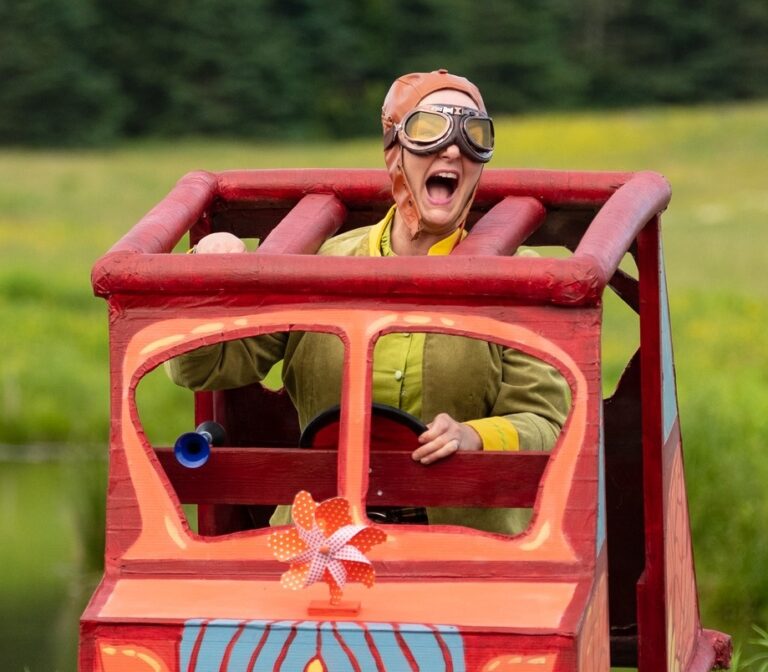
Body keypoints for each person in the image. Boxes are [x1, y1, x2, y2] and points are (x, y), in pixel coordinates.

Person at [166, 70, 570, 534]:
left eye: (474, 135)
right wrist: (206, 274)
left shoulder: (517, 275)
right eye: (428, 130)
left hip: (466, 554)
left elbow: (548, 427)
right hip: (316, 544)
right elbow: (198, 370)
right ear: (394, 151)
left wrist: (474, 435)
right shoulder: (316, 265)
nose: (454, 149)